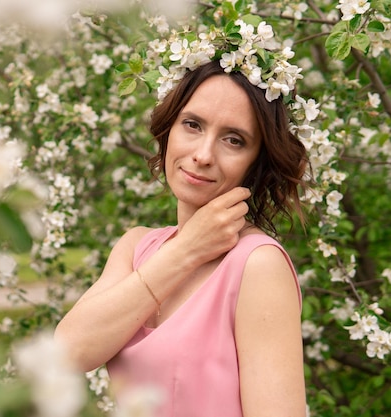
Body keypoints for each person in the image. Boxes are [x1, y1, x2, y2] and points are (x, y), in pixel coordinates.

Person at [55, 54, 308, 416]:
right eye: (192, 125)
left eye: (234, 140)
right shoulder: (136, 247)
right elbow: (67, 353)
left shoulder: (258, 266)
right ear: (168, 129)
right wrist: (186, 250)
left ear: (257, 161)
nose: (203, 155)